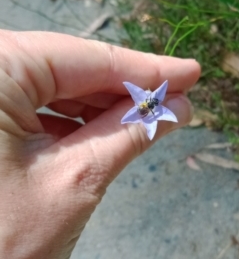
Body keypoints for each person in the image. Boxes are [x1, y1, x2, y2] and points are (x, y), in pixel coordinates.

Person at [0, 30, 200, 259]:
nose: (148, 107)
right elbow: (138, 111)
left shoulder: (149, 102)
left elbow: (149, 105)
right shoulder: (144, 103)